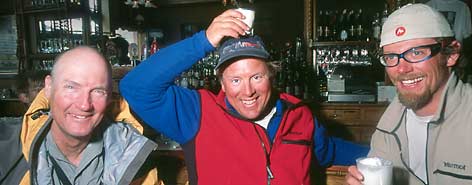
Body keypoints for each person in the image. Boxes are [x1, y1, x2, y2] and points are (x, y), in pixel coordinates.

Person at [120, 9, 368, 185]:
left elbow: (328, 150)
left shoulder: (299, 114)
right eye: (235, 80)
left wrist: (383, 155)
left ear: (272, 76)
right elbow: (136, 87)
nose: (247, 91)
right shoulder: (198, 112)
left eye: (256, 77)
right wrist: (203, 41)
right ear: (222, 84)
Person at [345, 4, 472, 185]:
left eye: (416, 52)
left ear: (451, 54)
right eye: (391, 57)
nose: (401, 68)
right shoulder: (391, 119)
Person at [17, 46, 161, 184]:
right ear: (48, 87)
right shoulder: (12, 158)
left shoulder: (133, 156)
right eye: (71, 87)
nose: (84, 105)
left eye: (98, 91)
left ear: (110, 96)